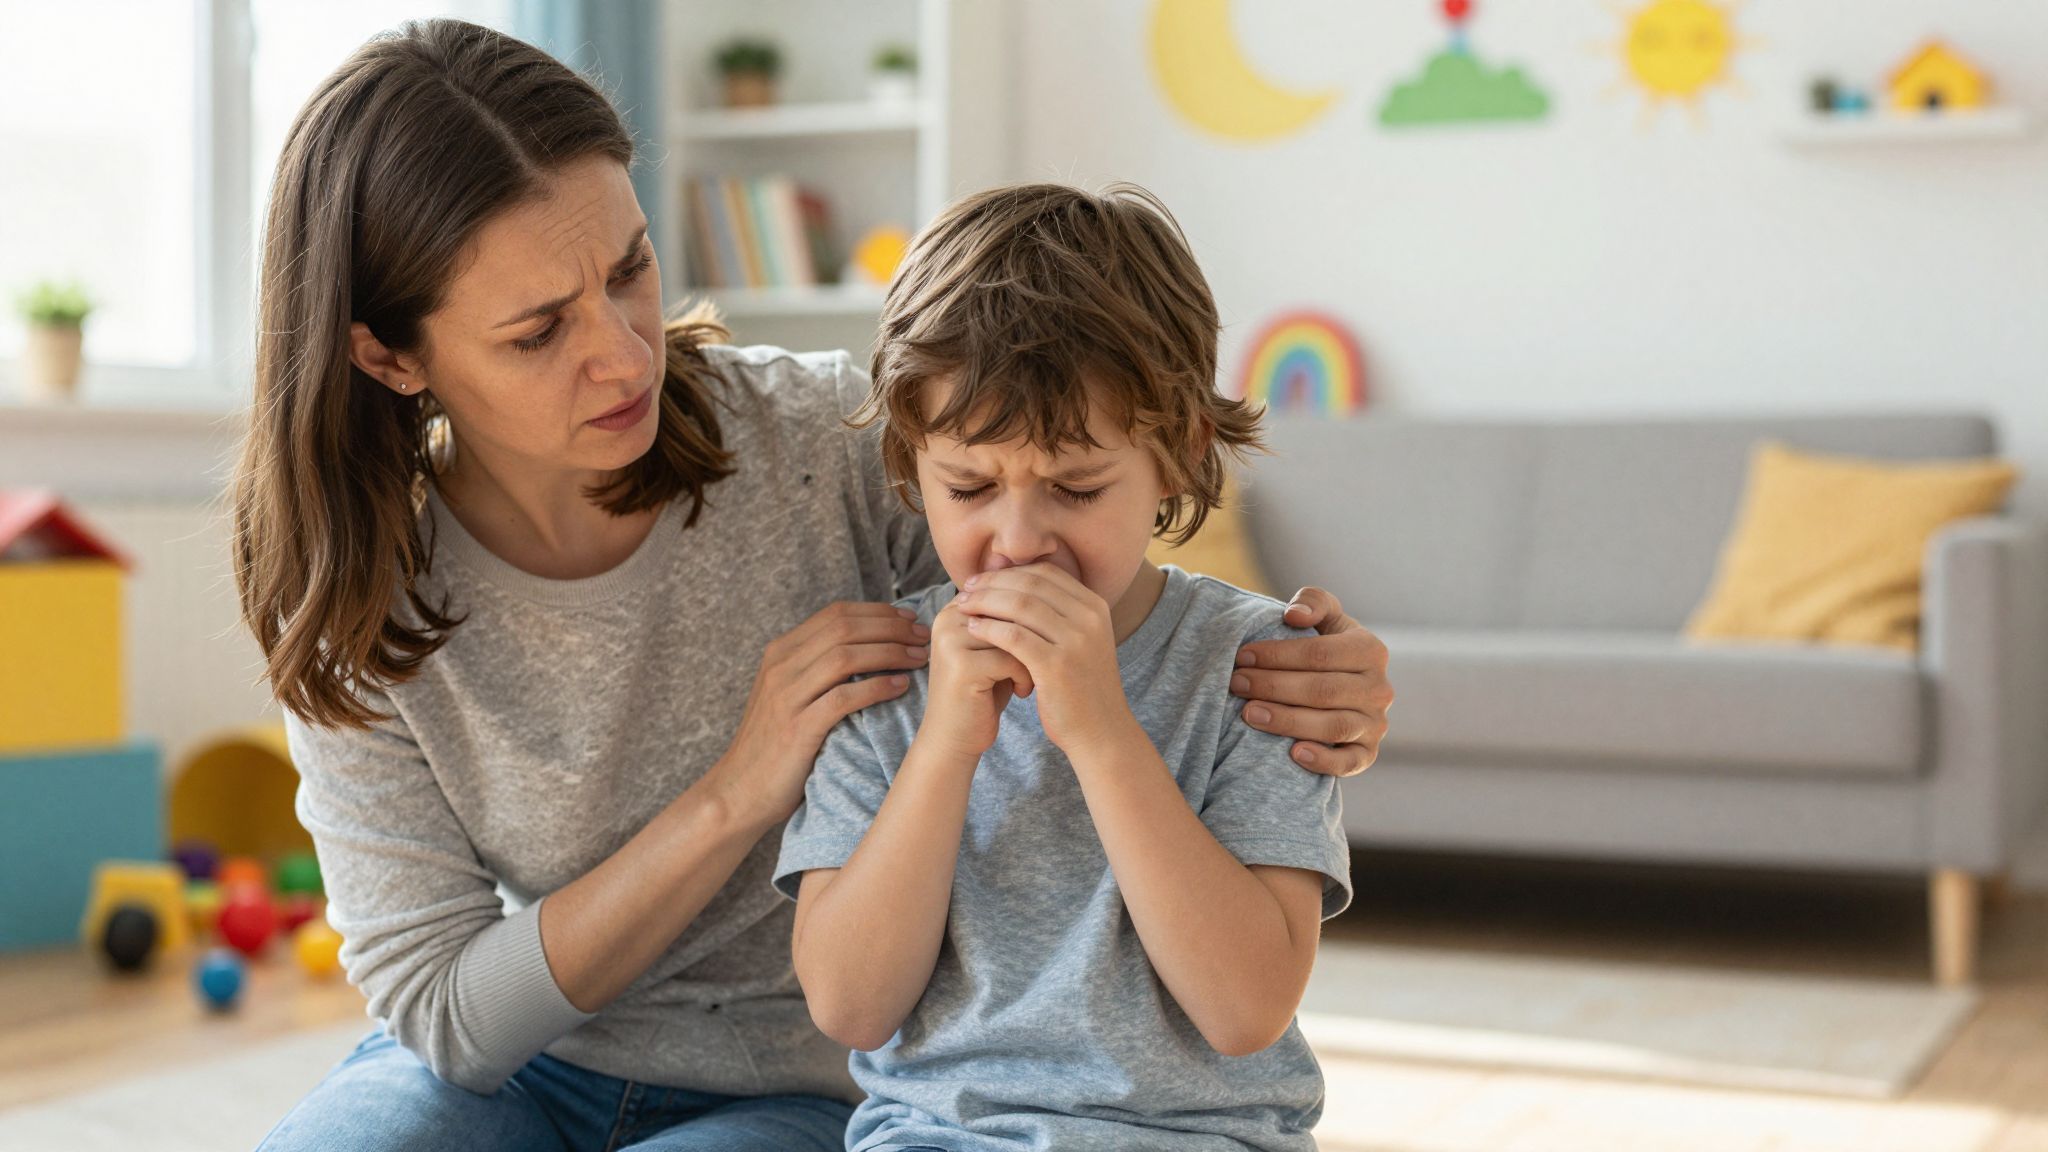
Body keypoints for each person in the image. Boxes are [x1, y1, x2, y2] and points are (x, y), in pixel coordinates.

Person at [236, 19, 1392, 1152]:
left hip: (796, 1087)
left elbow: (1079, 535)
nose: (627, 354)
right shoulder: (352, 597)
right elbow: (444, 1018)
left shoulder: (813, 440)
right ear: (388, 355)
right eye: (538, 331)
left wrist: (1315, 674)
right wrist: (735, 790)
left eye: (631, 268)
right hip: (517, 1071)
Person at [776, 183, 1348, 1152]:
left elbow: (1244, 1008)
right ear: (913, 462)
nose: (1016, 540)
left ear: (1175, 455)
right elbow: (846, 1003)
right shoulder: (888, 677)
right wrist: (946, 746)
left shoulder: (1256, 669)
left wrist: (1099, 731)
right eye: (967, 486)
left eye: (1074, 488)